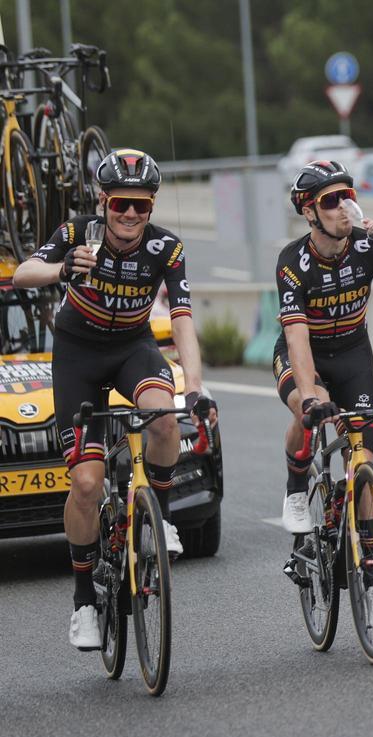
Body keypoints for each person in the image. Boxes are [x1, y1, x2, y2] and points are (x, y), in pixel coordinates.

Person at [14, 148, 216, 650]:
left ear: (152, 207)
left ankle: (162, 520)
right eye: (121, 204)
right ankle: (84, 599)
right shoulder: (77, 235)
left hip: (133, 347)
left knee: (164, 419)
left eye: (142, 206)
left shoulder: (166, 248)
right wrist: (62, 269)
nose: (130, 214)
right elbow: (22, 275)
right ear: (103, 201)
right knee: (86, 483)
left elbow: (185, 319)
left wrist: (193, 386)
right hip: (78, 355)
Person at [275, 160, 373, 628]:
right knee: (308, 407)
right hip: (306, 355)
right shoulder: (292, 261)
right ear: (308, 212)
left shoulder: (366, 245)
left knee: (361, 461)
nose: (344, 207)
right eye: (330, 200)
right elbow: (298, 339)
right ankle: (297, 485)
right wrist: (310, 397)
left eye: (348, 195)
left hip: (354, 356)